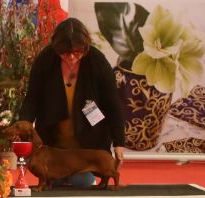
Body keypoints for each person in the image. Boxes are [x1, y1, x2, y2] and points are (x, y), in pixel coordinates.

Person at [16, 17, 125, 186]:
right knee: (54, 183)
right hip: (53, 147)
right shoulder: (45, 60)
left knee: (81, 181)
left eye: (78, 52)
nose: (72, 57)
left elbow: (112, 104)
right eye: (65, 53)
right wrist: (24, 123)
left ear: (85, 46)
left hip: (87, 145)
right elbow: (32, 98)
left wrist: (119, 142)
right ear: (56, 47)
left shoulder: (97, 61)